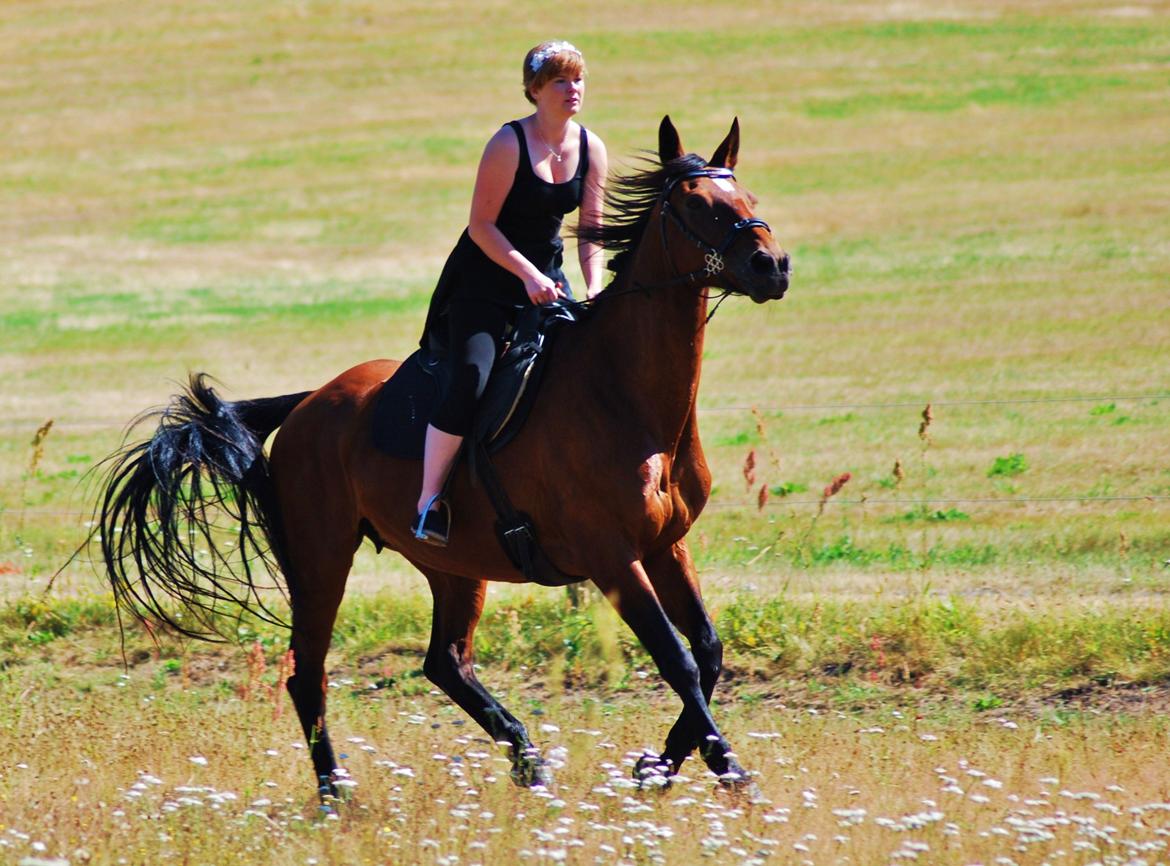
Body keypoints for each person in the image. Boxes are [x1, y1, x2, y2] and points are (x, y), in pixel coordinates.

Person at [412, 40, 608, 546]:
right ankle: (429, 502)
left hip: (549, 281)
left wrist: (594, 288)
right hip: (486, 283)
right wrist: (528, 276)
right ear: (534, 90)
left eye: (578, 79)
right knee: (471, 378)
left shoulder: (591, 148)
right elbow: (481, 226)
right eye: (560, 81)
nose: (573, 89)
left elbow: (591, 231)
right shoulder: (507, 143)